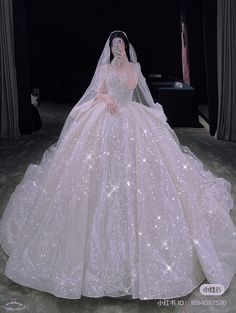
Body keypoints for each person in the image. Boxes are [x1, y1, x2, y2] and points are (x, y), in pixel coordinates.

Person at [0, 30, 236, 300]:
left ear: (126, 46)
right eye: (113, 44)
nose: (116, 48)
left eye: (120, 44)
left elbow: (136, 90)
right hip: (105, 118)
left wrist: (124, 71)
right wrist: (107, 97)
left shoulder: (134, 67)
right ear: (109, 47)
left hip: (132, 120)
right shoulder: (104, 67)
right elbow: (97, 93)